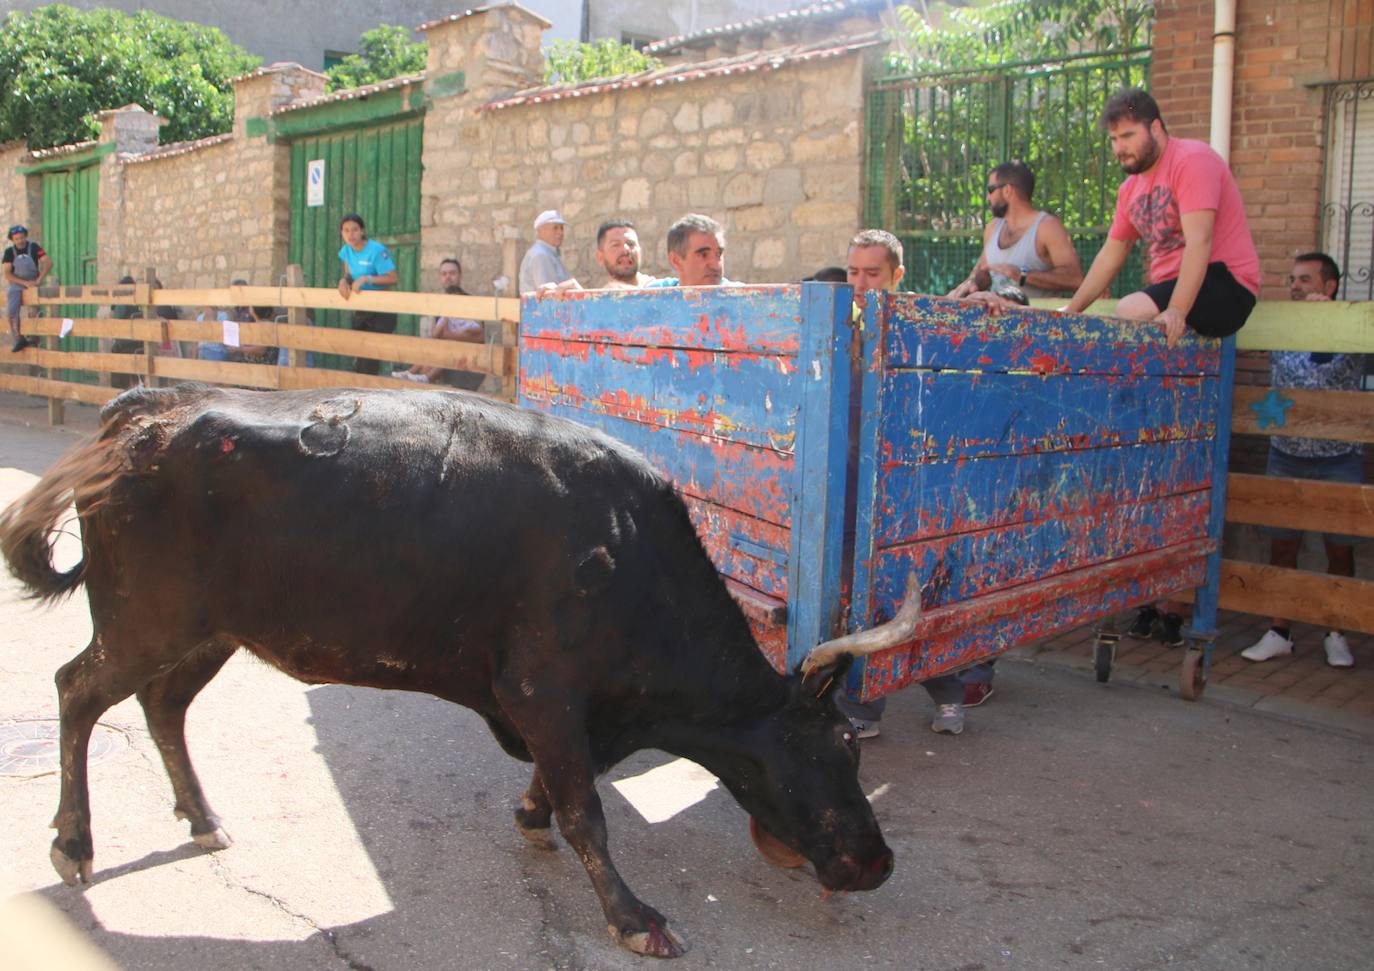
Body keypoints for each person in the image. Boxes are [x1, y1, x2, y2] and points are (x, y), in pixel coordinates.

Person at [834, 229, 989, 737]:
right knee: (867, 601)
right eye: (853, 272)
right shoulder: (841, 327)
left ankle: (945, 694)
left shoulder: (923, 327)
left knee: (915, 596)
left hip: (913, 493)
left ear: (898, 276)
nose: (859, 283)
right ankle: (864, 707)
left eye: (871, 274)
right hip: (857, 488)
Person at [1240, 252, 1365, 668]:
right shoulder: (1282, 322)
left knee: (1340, 550)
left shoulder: (1351, 323)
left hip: (1338, 458)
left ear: (1328, 287)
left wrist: (1329, 320)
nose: (1294, 286)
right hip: (1286, 455)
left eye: (1305, 280)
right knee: (1282, 546)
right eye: (1292, 279)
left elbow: (1330, 367)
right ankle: (1280, 630)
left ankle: (1335, 632)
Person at [1062, 88, 1260, 348]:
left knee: (1131, 310)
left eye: (1128, 136)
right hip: (1175, 288)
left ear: (1155, 128)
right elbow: (1111, 254)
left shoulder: (1191, 160)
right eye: (1113, 139)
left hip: (1227, 285)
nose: (1119, 148)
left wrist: (1177, 309)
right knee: (1132, 323)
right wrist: (1070, 313)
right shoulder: (1129, 190)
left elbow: (1200, 240)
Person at [946, 161, 1084, 299]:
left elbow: (1075, 280)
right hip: (996, 315)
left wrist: (1022, 275)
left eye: (990, 190)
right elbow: (984, 271)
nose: (988, 197)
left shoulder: (1047, 227)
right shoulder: (993, 228)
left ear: (1007, 190)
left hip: (1037, 318)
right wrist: (971, 285)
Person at [395, 257, 487, 390]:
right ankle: (412, 374)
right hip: (444, 358)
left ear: (460, 276)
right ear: (440, 277)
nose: (448, 277)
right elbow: (436, 335)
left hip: (467, 360)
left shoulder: (471, 302)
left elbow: (480, 337)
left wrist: (448, 336)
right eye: (444, 274)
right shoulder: (439, 305)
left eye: (452, 273)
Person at [337, 212, 399, 375]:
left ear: (362, 231)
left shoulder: (376, 250)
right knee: (360, 354)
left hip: (381, 310)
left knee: (370, 359)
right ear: (342, 234)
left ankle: (366, 397)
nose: (351, 234)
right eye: (346, 230)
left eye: (355, 229)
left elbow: (393, 278)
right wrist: (344, 281)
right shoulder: (346, 252)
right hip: (362, 309)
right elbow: (349, 274)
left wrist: (367, 279)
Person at [646, 213, 743, 287]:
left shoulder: (742, 299)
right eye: (704, 255)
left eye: (718, 254)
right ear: (676, 261)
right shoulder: (653, 298)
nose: (716, 265)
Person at [4, 224, 52, 352]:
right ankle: (19, 339)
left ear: (25, 236)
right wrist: (23, 283)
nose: (20, 241)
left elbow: (48, 262)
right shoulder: (9, 252)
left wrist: (39, 280)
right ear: (12, 240)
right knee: (11, 312)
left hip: (33, 284)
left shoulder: (34, 247)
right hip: (17, 285)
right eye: (17, 239)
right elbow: (7, 273)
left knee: (34, 312)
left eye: (22, 237)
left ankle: (34, 338)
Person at [519, 210, 570, 294]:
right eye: (555, 228)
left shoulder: (549, 253)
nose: (560, 232)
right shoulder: (541, 255)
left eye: (562, 228)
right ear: (540, 230)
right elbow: (549, 296)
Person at [595, 219, 657, 288]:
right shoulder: (600, 297)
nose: (625, 249)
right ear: (600, 257)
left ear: (640, 252)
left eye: (631, 244)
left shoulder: (661, 290)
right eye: (616, 245)